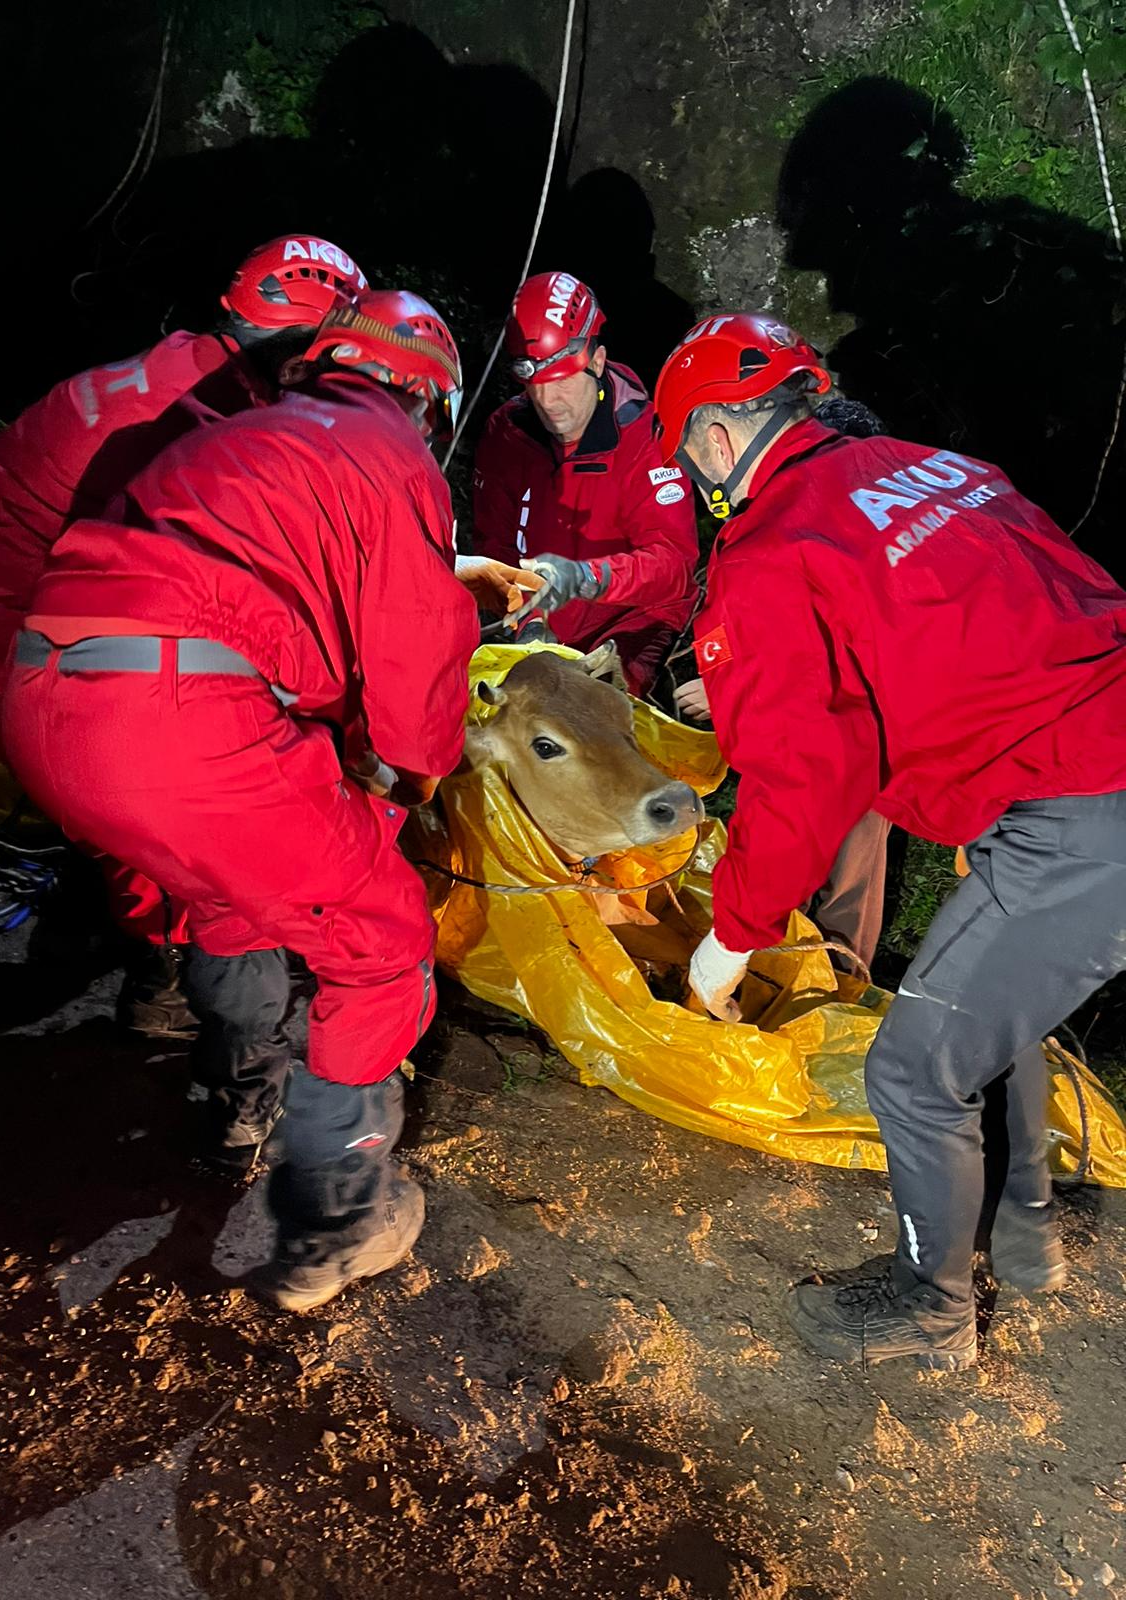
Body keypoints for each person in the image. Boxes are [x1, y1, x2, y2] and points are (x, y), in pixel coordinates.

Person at [652, 311, 1126, 1370]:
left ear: (721, 441)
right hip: (1080, 764)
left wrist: (730, 936)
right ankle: (1028, 1217)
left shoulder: (771, 549)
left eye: (689, 455)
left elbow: (804, 778)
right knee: (987, 1005)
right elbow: (1037, 611)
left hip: (1085, 805)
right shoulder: (941, 468)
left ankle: (932, 1304)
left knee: (912, 1069)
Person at [1, 288, 478, 1311]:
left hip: (45, 699)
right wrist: (412, 778)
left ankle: (236, 1098)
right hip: (177, 714)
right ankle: (336, 1216)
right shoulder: (394, 459)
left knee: (231, 896)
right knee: (382, 936)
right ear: (429, 399)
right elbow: (415, 701)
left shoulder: (257, 429)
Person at [0, 234, 370, 1035]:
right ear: (307, 346)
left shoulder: (187, 363)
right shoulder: (205, 416)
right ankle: (158, 970)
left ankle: (111, 923)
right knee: (131, 773)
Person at [673, 394, 892, 973]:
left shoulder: (811, 534)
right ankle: (780, 965)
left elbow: (816, 683)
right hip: (838, 726)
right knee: (805, 854)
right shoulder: (798, 533)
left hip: (865, 736)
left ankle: (837, 982)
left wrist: (727, 699)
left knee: (846, 864)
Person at [472, 272, 699, 695]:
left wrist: (585, 578)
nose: (547, 402)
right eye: (533, 384)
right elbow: (495, 543)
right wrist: (528, 617)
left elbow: (673, 566)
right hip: (542, 621)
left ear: (596, 360)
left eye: (560, 381)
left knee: (599, 719)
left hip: (629, 619)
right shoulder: (507, 433)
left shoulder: (646, 437)